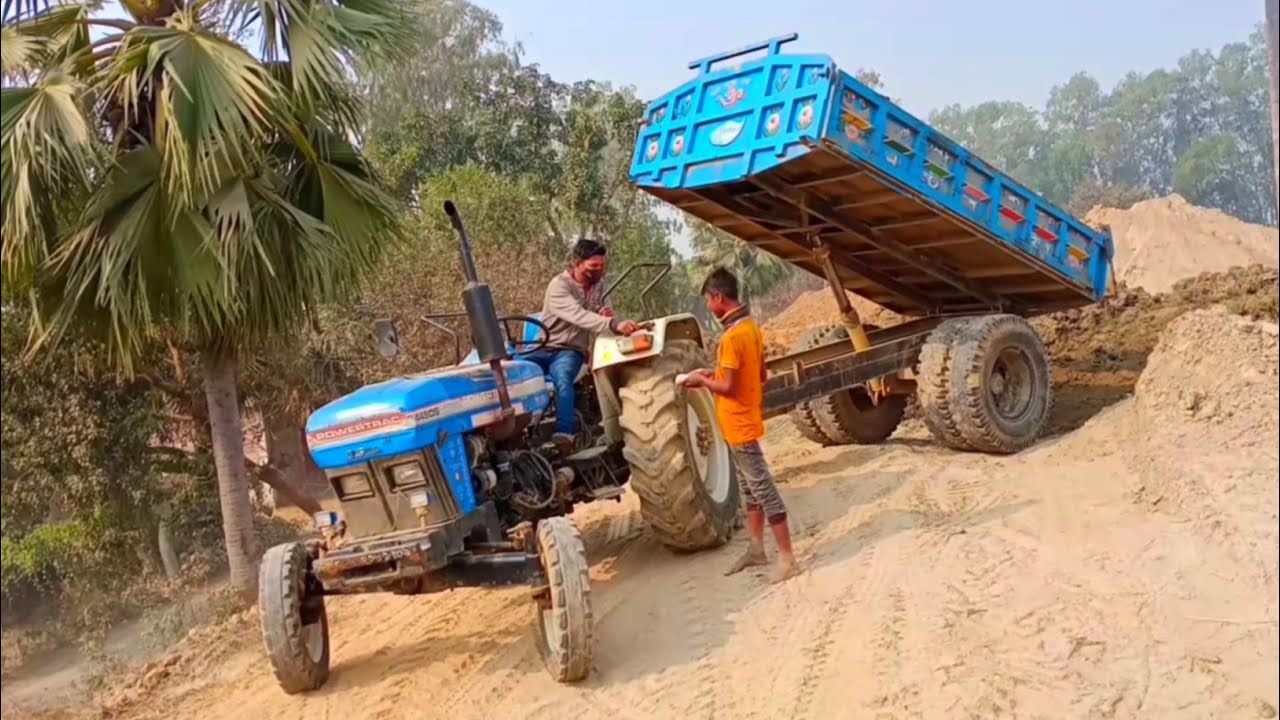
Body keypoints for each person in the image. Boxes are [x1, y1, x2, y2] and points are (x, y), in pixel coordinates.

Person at [681, 267, 799, 583]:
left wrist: (701, 381)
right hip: (745, 419)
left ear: (719, 297)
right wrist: (712, 376)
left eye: (708, 300)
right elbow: (759, 375)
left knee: (763, 488)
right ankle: (757, 548)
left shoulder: (732, 338)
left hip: (739, 425)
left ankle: (787, 558)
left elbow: (730, 388)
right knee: (750, 489)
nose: (708, 306)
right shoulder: (751, 329)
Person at [526, 239, 640, 455]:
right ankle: (522, 431)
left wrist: (610, 318)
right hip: (544, 346)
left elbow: (605, 313)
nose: (599, 272)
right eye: (593, 267)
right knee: (515, 373)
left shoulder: (600, 286)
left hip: (570, 350)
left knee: (563, 378)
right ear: (577, 264)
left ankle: (564, 434)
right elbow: (577, 315)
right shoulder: (559, 286)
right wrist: (611, 322)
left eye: (602, 266)